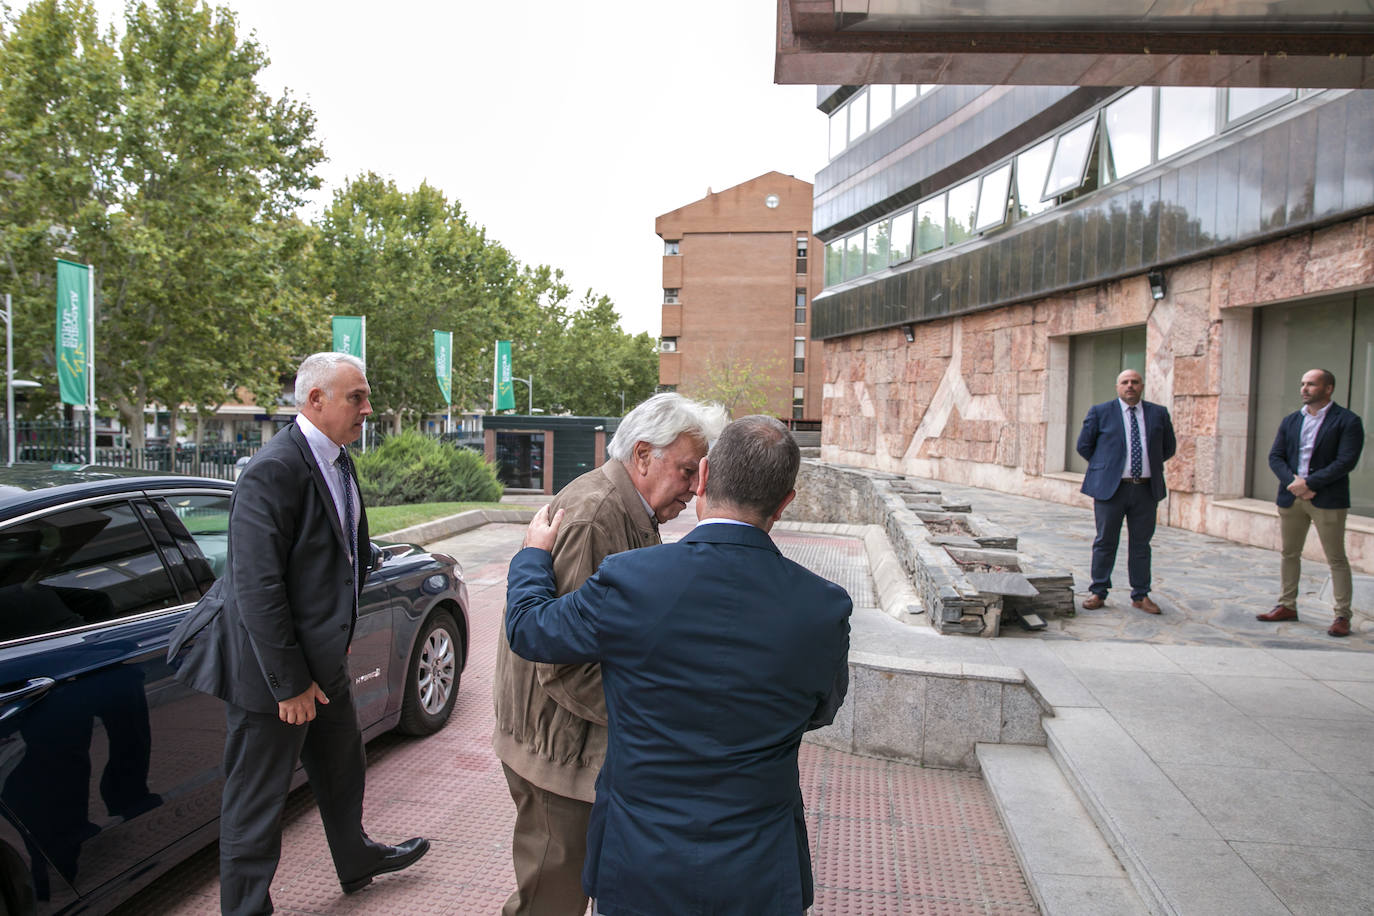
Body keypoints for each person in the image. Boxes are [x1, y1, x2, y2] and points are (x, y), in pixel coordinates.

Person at [504, 416, 852, 916]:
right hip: (758, 867)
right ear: (784, 502)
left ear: (704, 476)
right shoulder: (823, 607)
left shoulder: (631, 580)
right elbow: (821, 709)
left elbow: (529, 629)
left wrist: (534, 557)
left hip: (639, 860)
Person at [167, 352, 428, 915]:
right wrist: (289, 686)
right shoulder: (273, 469)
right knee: (255, 803)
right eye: (356, 397)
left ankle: (356, 859)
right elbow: (256, 589)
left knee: (342, 765)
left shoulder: (336, 458)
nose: (368, 408)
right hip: (272, 676)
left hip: (323, 664)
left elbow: (338, 548)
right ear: (315, 400)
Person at [492, 392, 727, 916]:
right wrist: (659, 716)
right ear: (642, 455)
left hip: (569, 747)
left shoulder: (624, 508)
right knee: (551, 900)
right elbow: (560, 660)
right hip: (557, 754)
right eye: (687, 470)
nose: (695, 487)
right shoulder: (598, 515)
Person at [1257, 368, 1365, 637]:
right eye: (1303, 383)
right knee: (1289, 553)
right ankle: (1287, 605)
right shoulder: (1292, 420)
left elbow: (1346, 461)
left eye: (1312, 384)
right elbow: (1275, 457)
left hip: (1327, 499)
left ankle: (1342, 615)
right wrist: (1294, 483)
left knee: (1336, 558)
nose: (1304, 389)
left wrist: (1310, 484)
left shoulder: (1348, 421)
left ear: (1328, 388)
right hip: (1291, 497)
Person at [1076, 369, 1177, 614]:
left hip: (1145, 490)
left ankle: (1140, 595)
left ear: (1142, 386)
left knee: (1141, 544)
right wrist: (1108, 468)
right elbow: (1084, 446)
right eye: (1125, 382)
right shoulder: (1100, 412)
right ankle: (1098, 591)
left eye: (1134, 382)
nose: (1130, 386)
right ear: (1117, 387)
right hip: (1111, 490)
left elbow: (1168, 448)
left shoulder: (1158, 413)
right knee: (1105, 541)